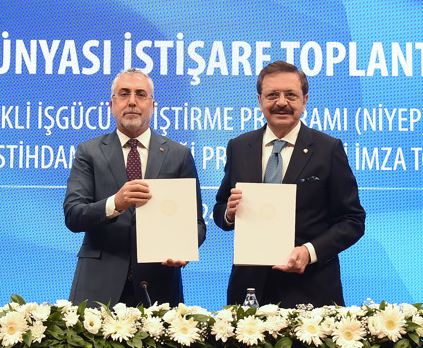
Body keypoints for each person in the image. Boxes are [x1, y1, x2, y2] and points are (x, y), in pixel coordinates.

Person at [213, 61, 365, 307]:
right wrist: (229, 214)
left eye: (291, 95)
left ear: (305, 101)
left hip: (311, 292)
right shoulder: (239, 147)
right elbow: (220, 209)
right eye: (272, 95)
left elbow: (352, 220)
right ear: (260, 100)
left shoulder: (328, 149)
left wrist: (309, 252)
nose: (281, 102)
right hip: (249, 293)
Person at [64, 69, 206, 307]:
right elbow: (73, 215)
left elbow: (196, 224)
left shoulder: (179, 155)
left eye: (141, 94)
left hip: (159, 289)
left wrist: (185, 248)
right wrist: (115, 204)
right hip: (98, 288)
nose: (132, 101)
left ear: (153, 105)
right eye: (124, 94)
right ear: (111, 105)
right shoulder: (89, 152)